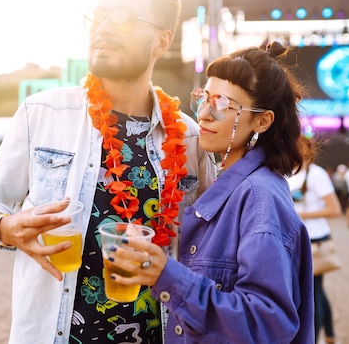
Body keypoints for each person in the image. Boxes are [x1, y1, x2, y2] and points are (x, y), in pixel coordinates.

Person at [0, 0, 217, 344]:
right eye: (99, 16)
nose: (104, 28)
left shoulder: (190, 136)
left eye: (125, 18)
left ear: (161, 42)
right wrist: (4, 228)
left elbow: (210, 245)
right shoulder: (43, 113)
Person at [106, 42, 315, 343]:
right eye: (203, 98)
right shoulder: (230, 183)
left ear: (262, 120)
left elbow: (266, 324)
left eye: (221, 105)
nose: (203, 114)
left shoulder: (259, 197)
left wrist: (164, 274)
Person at [287, 156, 342, 343]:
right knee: (317, 290)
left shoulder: (316, 174)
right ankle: (330, 334)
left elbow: (334, 209)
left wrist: (301, 214)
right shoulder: (286, 171)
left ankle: (315, 338)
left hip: (315, 240)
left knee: (312, 294)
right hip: (296, 240)